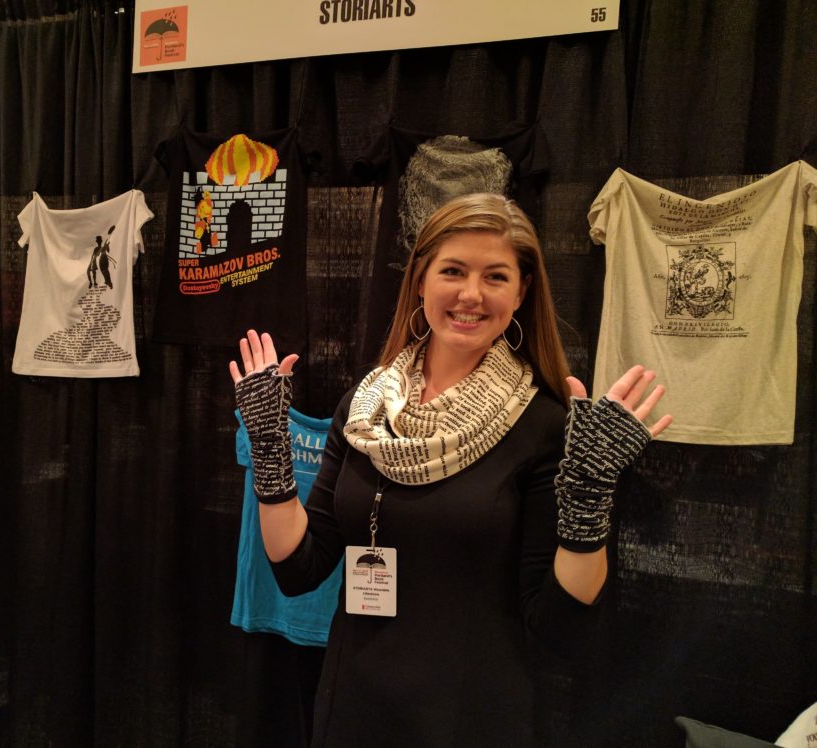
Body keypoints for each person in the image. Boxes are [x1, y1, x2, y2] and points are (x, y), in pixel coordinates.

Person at [229, 193, 672, 746]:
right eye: (453, 271)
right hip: (354, 710)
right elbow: (300, 569)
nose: (470, 294)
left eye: (495, 276)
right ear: (420, 281)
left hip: (472, 718)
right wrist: (270, 450)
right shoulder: (364, 409)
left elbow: (560, 623)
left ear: (521, 291)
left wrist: (589, 489)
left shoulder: (542, 424)